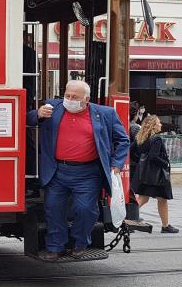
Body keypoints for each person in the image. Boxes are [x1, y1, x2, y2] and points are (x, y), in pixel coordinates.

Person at [27, 80, 130, 260]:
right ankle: (55, 246)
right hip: (57, 170)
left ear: (86, 99)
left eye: (75, 97)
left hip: (88, 173)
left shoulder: (105, 114)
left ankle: (80, 242)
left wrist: (116, 163)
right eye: (67, 95)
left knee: (85, 209)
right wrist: (37, 114)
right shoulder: (53, 107)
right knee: (53, 208)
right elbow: (26, 119)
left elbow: (123, 140)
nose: (69, 99)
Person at [130, 115, 178, 233]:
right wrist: (165, 163)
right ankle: (165, 226)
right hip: (157, 176)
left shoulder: (140, 138)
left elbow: (131, 152)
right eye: (159, 123)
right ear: (153, 125)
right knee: (162, 199)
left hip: (144, 175)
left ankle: (128, 220)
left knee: (144, 198)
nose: (161, 124)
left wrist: (140, 163)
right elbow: (154, 157)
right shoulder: (156, 139)